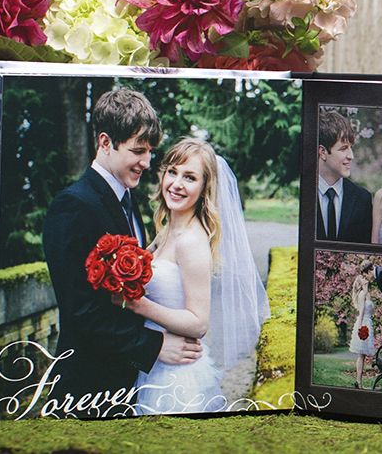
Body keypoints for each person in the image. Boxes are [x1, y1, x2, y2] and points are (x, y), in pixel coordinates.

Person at [42, 88, 201, 417]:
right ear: (104, 143)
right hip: (88, 385)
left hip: (129, 382)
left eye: (149, 152)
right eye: (138, 151)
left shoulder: (128, 197)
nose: (146, 162)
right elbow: (81, 310)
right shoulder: (73, 205)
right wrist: (155, 346)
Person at [124, 139, 270, 414]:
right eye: (173, 172)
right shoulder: (167, 230)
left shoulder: (191, 240)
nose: (177, 183)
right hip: (155, 359)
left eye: (190, 177)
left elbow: (197, 322)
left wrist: (137, 304)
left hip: (177, 375)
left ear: (205, 189)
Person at [316, 110, 372, 243]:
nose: (351, 156)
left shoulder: (362, 199)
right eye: (343, 149)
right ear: (322, 152)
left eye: (351, 148)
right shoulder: (304, 194)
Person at [347, 271, 374, 389]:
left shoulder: (367, 294)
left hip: (367, 322)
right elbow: (362, 311)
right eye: (363, 278)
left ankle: (358, 381)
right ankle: (358, 381)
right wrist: (360, 327)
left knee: (362, 355)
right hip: (363, 322)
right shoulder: (363, 294)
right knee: (361, 355)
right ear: (360, 283)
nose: (365, 278)